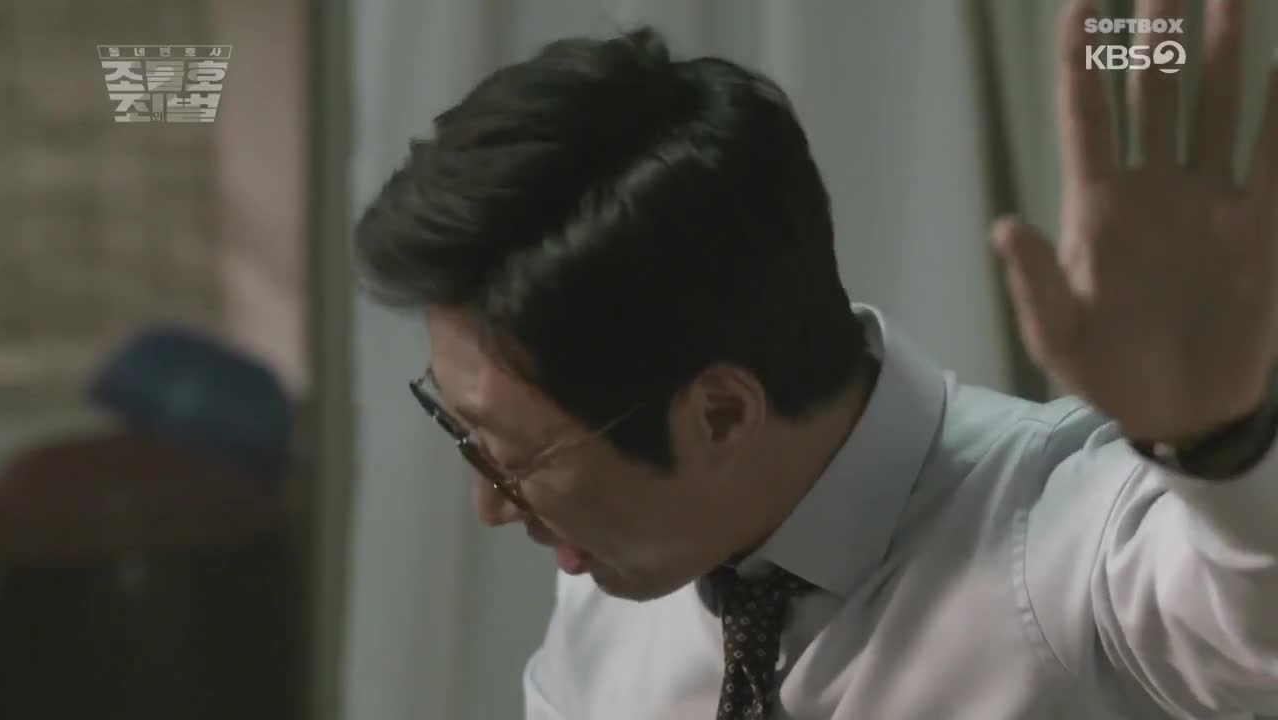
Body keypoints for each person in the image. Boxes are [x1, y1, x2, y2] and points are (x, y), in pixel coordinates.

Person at [352, 0, 1278, 716]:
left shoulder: (1066, 545)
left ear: (720, 413)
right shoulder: (620, 585)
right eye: (464, 430)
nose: (488, 505)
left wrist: (1220, 440)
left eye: (516, 460)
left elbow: (1250, 613)